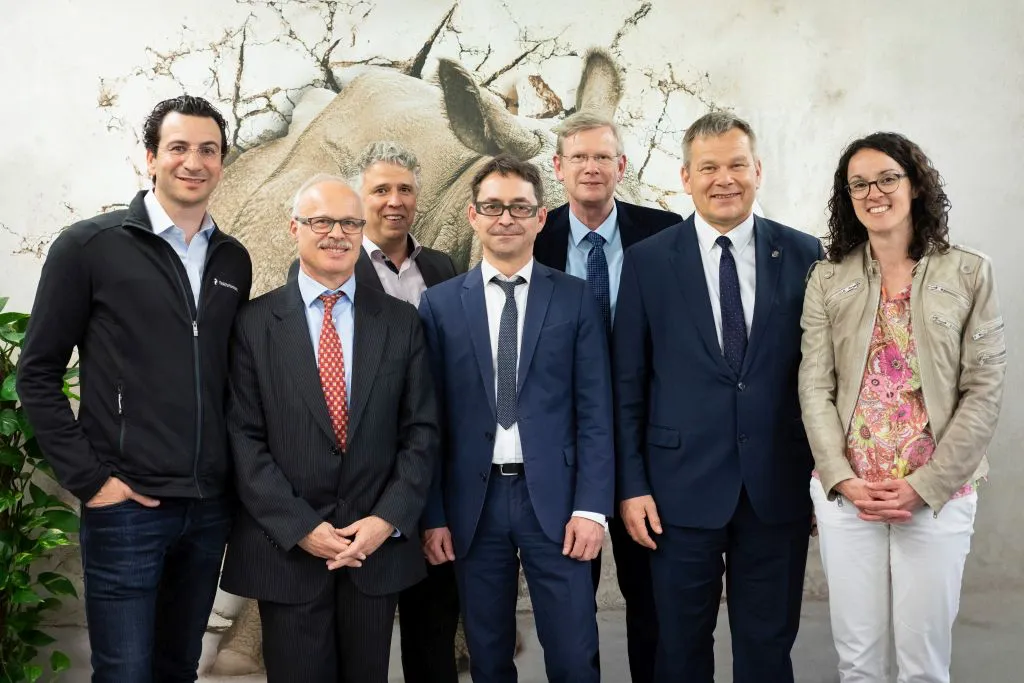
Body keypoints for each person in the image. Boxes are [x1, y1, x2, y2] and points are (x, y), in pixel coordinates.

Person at [16, 95, 252, 681]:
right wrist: (92, 481)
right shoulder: (89, 247)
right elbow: (37, 372)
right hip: (127, 508)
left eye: (208, 150)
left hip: (206, 509)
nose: (193, 162)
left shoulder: (233, 260)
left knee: (179, 669)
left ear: (222, 161)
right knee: (124, 672)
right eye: (178, 148)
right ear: (150, 158)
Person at [614, 111, 822, 682]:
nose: (723, 178)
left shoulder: (806, 256)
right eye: (708, 167)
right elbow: (628, 383)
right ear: (685, 177)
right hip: (676, 493)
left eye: (736, 164)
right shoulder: (649, 261)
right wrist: (631, 486)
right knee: (678, 649)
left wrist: (820, 476)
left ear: (758, 170)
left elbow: (821, 378)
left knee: (767, 645)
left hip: (775, 488)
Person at [800, 132, 1006, 682]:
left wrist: (927, 485)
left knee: (924, 666)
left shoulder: (968, 272)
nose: (875, 192)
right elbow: (813, 385)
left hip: (937, 495)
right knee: (858, 661)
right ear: (848, 196)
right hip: (850, 498)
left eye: (888, 178)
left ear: (914, 185)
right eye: (859, 183)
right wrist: (840, 478)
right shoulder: (827, 278)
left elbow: (984, 389)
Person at [219, 175, 438, 683]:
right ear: (294, 227)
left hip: (373, 550)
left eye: (349, 223)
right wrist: (301, 527)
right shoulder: (253, 323)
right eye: (321, 221)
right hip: (287, 551)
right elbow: (243, 439)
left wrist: (387, 519)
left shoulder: (402, 322)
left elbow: (421, 433)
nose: (336, 233)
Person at [418, 154, 614, 683]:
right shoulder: (438, 306)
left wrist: (593, 508)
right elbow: (427, 423)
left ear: (541, 216)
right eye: (493, 206)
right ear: (472, 215)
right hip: (473, 506)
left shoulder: (575, 299)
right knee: (487, 654)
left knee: (574, 655)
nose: (506, 218)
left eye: (519, 207)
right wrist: (434, 513)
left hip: (556, 501)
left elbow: (596, 409)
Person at [533, 111, 681, 683]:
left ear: (621, 167)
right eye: (579, 157)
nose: (591, 168)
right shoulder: (534, 235)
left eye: (603, 157)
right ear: (559, 168)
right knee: (572, 602)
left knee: (654, 599)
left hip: (650, 445)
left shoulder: (665, 233)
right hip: (567, 448)